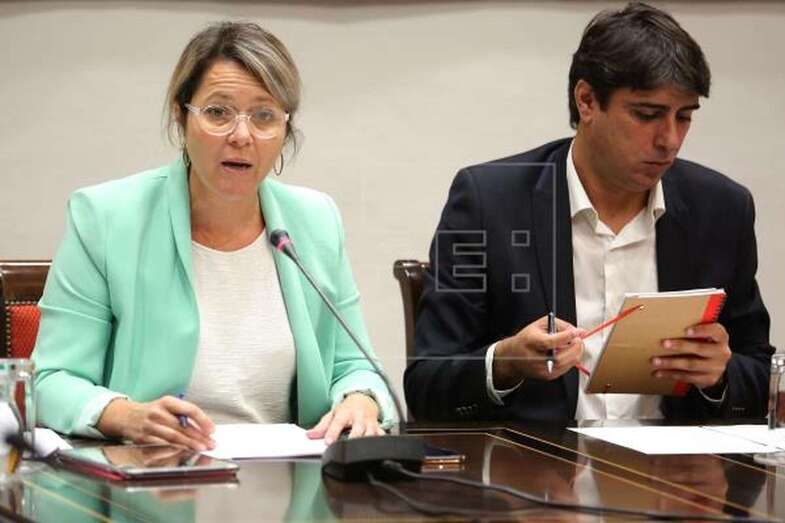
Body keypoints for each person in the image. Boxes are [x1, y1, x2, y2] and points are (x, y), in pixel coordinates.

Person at [32, 21, 395, 449]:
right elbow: (50, 380)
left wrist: (361, 399)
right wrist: (126, 416)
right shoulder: (106, 218)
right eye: (218, 112)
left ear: (285, 130)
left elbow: (356, 364)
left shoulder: (314, 221)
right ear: (180, 116)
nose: (241, 136)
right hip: (152, 483)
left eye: (264, 116)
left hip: (290, 485)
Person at [404, 2, 774, 422]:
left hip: (678, 475)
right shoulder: (488, 203)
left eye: (684, 117)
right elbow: (426, 384)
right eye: (647, 114)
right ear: (586, 101)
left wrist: (720, 375)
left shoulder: (721, 209)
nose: (670, 139)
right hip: (537, 471)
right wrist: (504, 363)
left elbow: (759, 372)